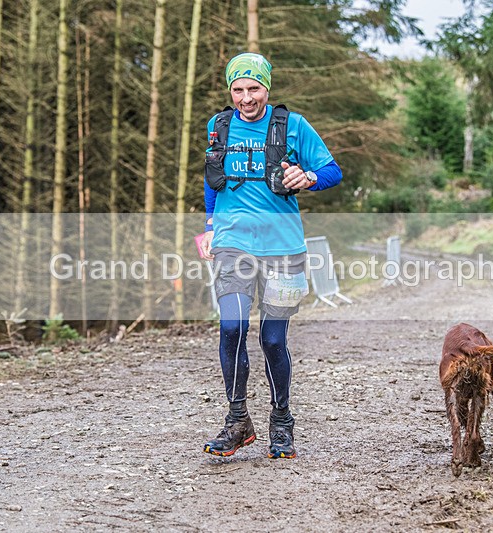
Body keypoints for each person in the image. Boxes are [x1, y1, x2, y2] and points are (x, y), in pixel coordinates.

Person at [199, 52, 342, 459]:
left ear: (267, 88)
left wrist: (309, 176)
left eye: (254, 88)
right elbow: (213, 179)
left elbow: (333, 170)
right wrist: (210, 227)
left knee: (273, 339)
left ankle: (281, 422)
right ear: (230, 90)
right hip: (232, 244)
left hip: (283, 249)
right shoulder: (218, 126)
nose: (246, 98)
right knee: (231, 327)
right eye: (238, 89)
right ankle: (238, 420)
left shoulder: (293, 126)